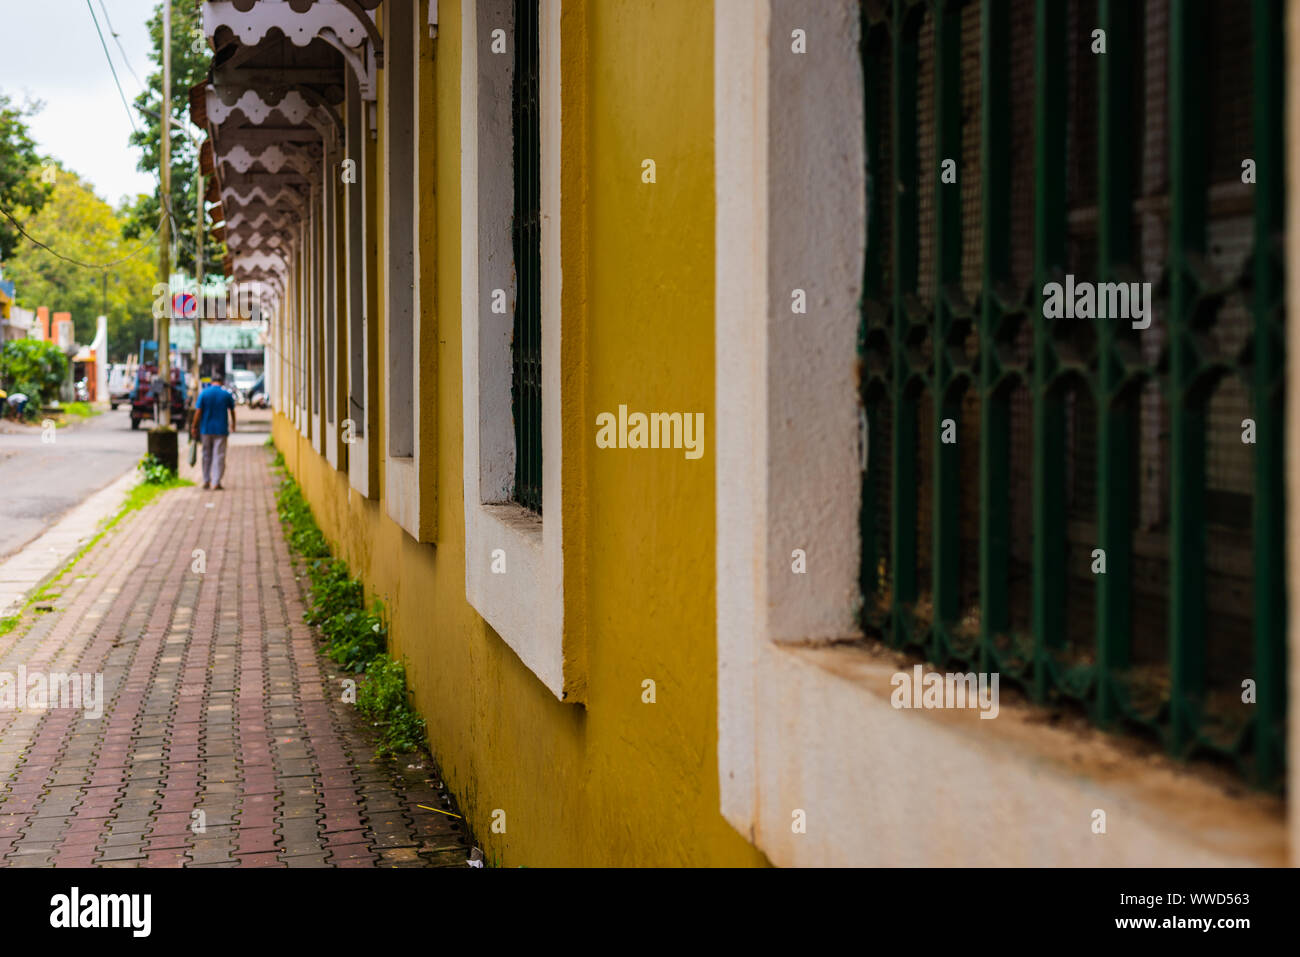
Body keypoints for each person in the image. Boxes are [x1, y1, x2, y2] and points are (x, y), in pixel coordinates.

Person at [191, 372, 236, 490]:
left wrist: (194, 426)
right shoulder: (226, 394)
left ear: (211, 382)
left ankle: (206, 480)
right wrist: (233, 424)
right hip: (221, 430)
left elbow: (198, 411)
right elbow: (232, 411)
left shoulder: (204, 394)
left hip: (205, 429)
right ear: (221, 382)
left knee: (206, 455)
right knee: (219, 456)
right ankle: (216, 482)